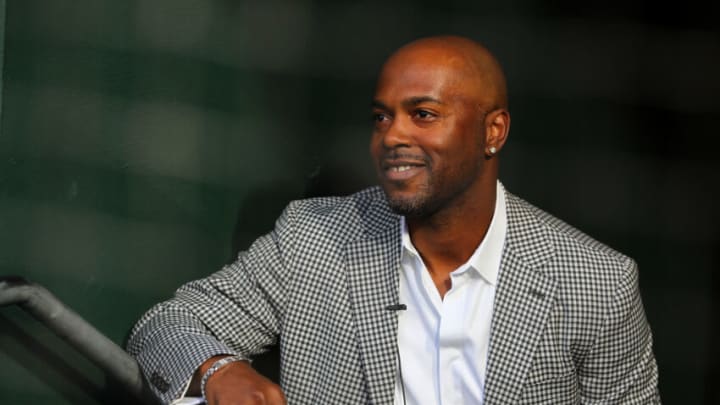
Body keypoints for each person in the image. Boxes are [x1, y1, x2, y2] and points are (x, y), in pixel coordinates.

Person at [127, 36, 660, 404]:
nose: (393, 136)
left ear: (493, 131)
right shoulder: (314, 237)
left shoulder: (597, 284)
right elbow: (168, 325)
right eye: (381, 117)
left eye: (423, 114)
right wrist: (221, 372)